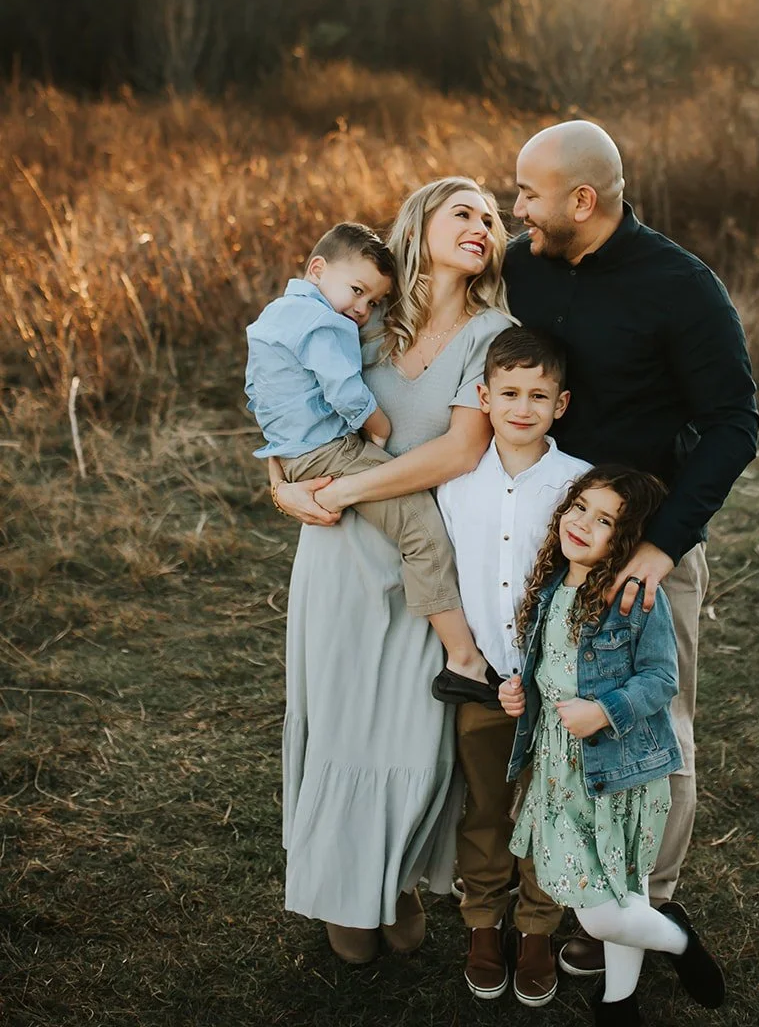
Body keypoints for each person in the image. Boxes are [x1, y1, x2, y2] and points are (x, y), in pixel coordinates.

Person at [504, 120, 758, 975]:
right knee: (551, 707)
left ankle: (641, 900)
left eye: (528, 194)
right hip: (546, 538)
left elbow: (733, 424)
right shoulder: (520, 265)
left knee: (656, 723)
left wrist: (661, 548)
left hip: (644, 547)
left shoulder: (683, 288)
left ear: (584, 198)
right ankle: (569, 880)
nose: (516, 209)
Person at [268, 178, 513, 966]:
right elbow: (287, 403)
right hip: (338, 553)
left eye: (492, 219)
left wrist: (347, 486)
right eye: (464, 212)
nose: (481, 225)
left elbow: (460, 451)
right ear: (421, 225)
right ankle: (340, 886)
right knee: (339, 721)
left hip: (427, 561)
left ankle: (398, 880)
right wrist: (280, 485)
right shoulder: (360, 316)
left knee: (412, 733)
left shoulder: (494, 332)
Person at [500, 467, 726, 1025]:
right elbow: (550, 666)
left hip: (618, 769)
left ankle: (673, 940)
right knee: (619, 900)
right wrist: (519, 692)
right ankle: (622, 1001)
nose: (581, 524)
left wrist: (603, 710)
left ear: (623, 541)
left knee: (605, 914)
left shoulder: (633, 598)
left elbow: (659, 680)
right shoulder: (552, 585)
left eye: (604, 522)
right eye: (579, 507)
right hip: (559, 768)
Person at [247, 219, 496, 703]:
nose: (363, 309)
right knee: (421, 526)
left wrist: (285, 466)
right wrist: (375, 432)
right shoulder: (336, 321)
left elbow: (265, 394)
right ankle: (464, 660)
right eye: (459, 215)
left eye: (373, 301)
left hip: (315, 466)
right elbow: (342, 390)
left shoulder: (285, 314)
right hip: (334, 476)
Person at [437, 325, 591, 1006]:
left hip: (553, 686)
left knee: (550, 807)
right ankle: (481, 922)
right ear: (483, 396)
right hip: (480, 678)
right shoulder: (455, 482)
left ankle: (535, 928)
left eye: (537, 394)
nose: (521, 407)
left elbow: (585, 587)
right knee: (486, 806)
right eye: (508, 393)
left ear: (560, 404)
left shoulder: (580, 483)